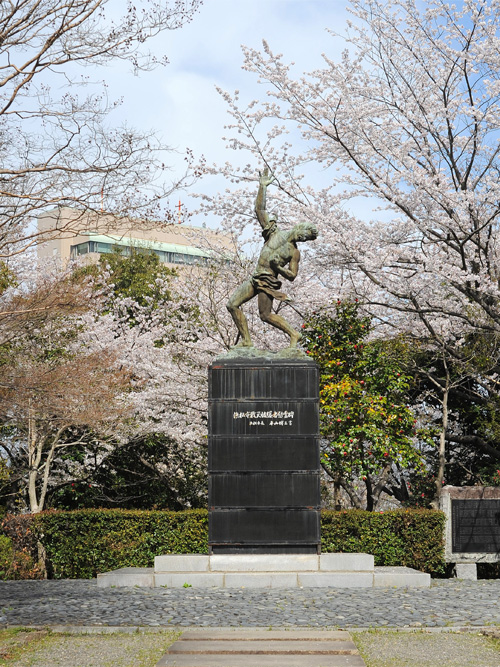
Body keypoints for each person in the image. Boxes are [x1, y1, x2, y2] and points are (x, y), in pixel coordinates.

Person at [226, 167, 318, 348]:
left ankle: (294, 334)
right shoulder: (274, 232)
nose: (303, 238)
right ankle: (246, 340)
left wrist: (278, 268)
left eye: (306, 239)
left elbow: (292, 275)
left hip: (268, 280)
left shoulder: (294, 252)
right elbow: (259, 209)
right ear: (299, 227)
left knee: (265, 315)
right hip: (255, 277)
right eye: (304, 234)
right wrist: (263, 187)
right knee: (232, 305)